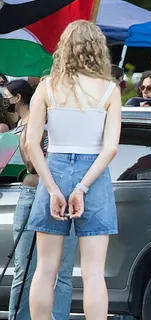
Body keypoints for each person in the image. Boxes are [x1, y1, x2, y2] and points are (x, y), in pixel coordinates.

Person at [25, 20, 121, 320]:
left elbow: (31, 144)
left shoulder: (46, 87)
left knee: (45, 269)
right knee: (93, 273)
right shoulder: (109, 90)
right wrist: (82, 187)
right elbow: (111, 149)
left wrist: (53, 188)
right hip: (93, 172)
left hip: (53, 168)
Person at [9, 124, 78, 320]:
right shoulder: (33, 129)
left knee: (62, 272)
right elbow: (31, 165)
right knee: (24, 269)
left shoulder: (74, 126)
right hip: (33, 195)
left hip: (66, 198)